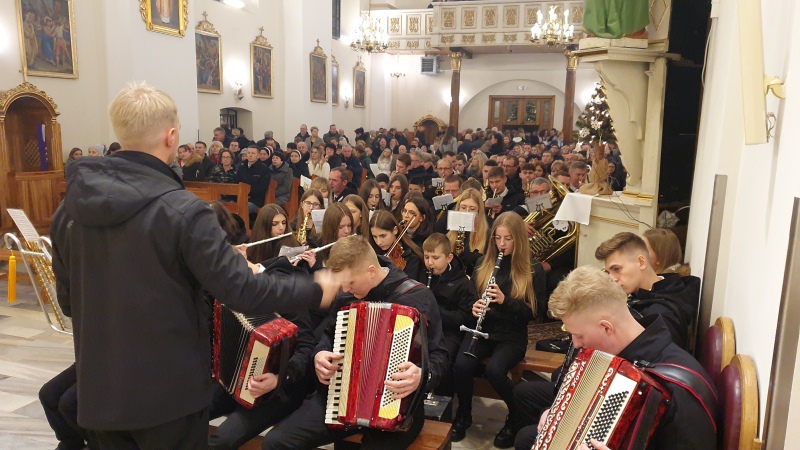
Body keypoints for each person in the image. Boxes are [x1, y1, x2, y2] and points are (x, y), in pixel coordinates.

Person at [50, 82, 340, 449]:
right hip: (169, 397)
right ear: (171, 137)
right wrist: (315, 287)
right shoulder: (184, 212)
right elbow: (243, 291)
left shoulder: (69, 211)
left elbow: (69, 304)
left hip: (101, 394)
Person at [261, 236, 447, 449]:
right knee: (275, 442)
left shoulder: (417, 297)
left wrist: (422, 375)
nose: (346, 290)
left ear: (371, 271)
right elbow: (328, 336)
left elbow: (439, 355)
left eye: (350, 283)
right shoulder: (346, 297)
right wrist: (320, 354)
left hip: (397, 405)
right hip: (340, 398)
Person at [515, 266, 716, 450]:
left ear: (606, 327)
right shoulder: (611, 357)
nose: (575, 344)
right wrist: (556, 415)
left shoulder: (680, 393)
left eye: (579, 335)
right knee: (526, 439)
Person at [450, 212, 541, 447]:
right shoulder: (483, 263)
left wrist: (505, 300)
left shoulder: (533, 269)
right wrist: (474, 307)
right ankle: (464, 415)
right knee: (462, 365)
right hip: (483, 329)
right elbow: (471, 298)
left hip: (511, 334)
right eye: (498, 238)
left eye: (508, 239)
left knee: (495, 370)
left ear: (519, 239)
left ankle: (516, 416)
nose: (502, 244)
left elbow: (533, 313)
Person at [595, 232, 700, 350]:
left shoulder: (661, 315)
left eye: (617, 269)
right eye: (608, 272)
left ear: (641, 262)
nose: (612, 279)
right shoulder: (663, 287)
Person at [423, 233, 477, 397]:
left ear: (449, 258)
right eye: (426, 257)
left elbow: (463, 318)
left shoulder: (462, 282)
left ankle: (443, 400)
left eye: (435, 258)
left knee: (443, 362)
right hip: (425, 328)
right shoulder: (424, 275)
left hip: (450, 332)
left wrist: (435, 312)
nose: (430, 263)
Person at [369, 210, 425, 282]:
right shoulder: (372, 252)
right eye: (375, 236)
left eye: (383, 236)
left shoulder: (412, 257)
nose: (379, 242)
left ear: (395, 230)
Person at [444, 188, 489, 276]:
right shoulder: (448, 228)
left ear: (479, 211)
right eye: (463, 208)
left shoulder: (487, 234)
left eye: (472, 209)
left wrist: (475, 258)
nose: (467, 212)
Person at [237, 145, 271, 213]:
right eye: (248, 153)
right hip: (241, 196)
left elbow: (262, 187)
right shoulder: (241, 166)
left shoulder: (263, 169)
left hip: (255, 200)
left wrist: (247, 193)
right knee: (227, 207)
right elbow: (237, 181)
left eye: (253, 153)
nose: (250, 155)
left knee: (242, 208)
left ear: (258, 156)